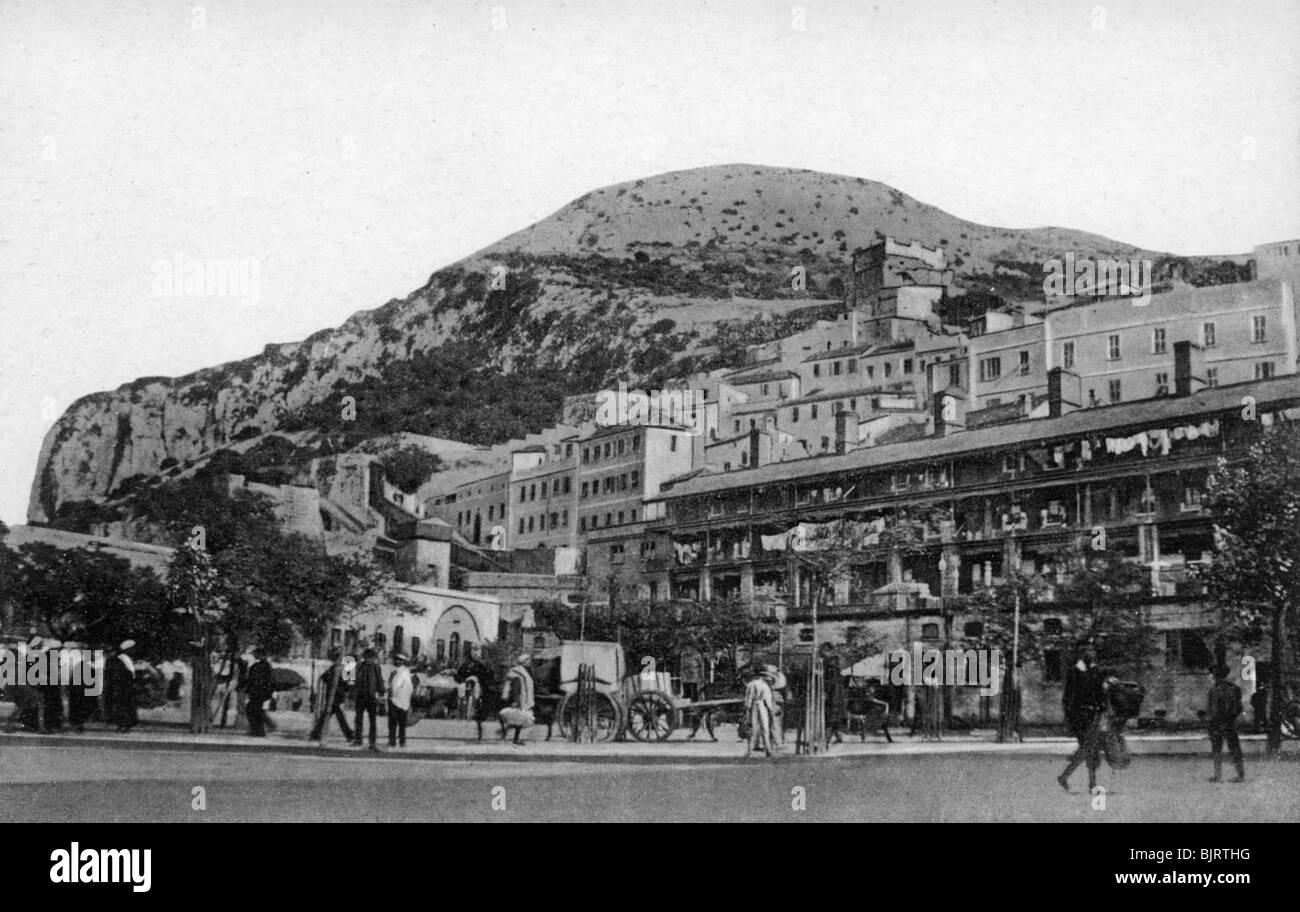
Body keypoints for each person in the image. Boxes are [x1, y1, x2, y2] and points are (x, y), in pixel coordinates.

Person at [1057, 642, 1107, 792]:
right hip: (1079, 717)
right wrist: (1069, 719)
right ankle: (1072, 778)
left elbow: (1100, 694)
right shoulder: (1074, 672)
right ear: (1082, 654)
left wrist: (1102, 706)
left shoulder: (1094, 671)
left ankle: (1077, 779)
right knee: (1088, 748)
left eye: (1093, 650)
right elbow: (1067, 698)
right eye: (1088, 650)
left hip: (1093, 716)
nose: (1092, 653)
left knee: (1089, 749)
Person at [1207, 664, 1245, 783]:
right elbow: (1239, 707)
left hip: (1217, 723)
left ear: (1216, 675)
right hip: (1230, 722)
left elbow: (1212, 709)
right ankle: (1240, 775)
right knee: (1235, 749)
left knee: (1217, 749)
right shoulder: (1235, 688)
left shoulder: (1214, 689)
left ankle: (1217, 776)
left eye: (1214, 673)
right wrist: (1231, 718)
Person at [310, 650, 355, 742]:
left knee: (328, 714)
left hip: (336, 695)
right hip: (333, 695)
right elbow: (324, 677)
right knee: (335, 715)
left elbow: (347, 684)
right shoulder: (334, 668)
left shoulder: (345, 669)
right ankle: (348, 734)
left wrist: (343, 688)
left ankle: (316, 733)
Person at [455, 651, 496, 740]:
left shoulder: (481, 665)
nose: (477, 654)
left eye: (477, 652)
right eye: (474, 652)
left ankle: (479, 724)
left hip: (479, 688)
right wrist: (465, 680)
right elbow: (458, 675)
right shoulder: (465, 665)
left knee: (480, 704)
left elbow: (486, 676)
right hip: (466, 687)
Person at [498, 654, 536, 746]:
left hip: (521, 698)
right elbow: (516, 687)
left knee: (519, 719)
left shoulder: (524, 671)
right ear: (523, 662)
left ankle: (514, 738)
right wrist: (516, 700)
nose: (529, 662)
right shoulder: (519, 672)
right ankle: (508, 735)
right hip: (518, 698)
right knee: (518, 717)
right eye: (527, 660)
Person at [353, 648, 385, 749]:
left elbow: (380, 681)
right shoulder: (359, 666)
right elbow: (353, 680)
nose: (368, 660)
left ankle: (372, 742)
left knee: (372, 720)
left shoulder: (376, 667)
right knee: (358, 719)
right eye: (367, 657)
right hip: (360, 696)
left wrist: (381, 694)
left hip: (371, 697)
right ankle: (358, 740)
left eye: (370, 658)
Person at [105, 640, 139, 733]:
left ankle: (126, 724)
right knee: (123, 706)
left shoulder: (126, 658)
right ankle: (123, 724)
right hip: (122, 687)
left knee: (126, 706)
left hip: (126, 686)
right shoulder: (121, 659)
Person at [744, 665, 776, 758]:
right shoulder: (764, 685)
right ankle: (768, 750)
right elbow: (768, 700)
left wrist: (748, 709)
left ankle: (749, 751)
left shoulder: (750, 684)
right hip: (762, 706)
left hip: (753, 706)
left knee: (752, 728)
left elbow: (748, 699)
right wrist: (770, 710)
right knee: (765, 729)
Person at [242, 647, 274, 737]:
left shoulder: (262, 666)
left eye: (255, 654)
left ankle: (258, 730)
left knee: (253, 710)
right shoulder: (261, 666)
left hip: (258, 692)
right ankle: (258, 730)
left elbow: (257, 680)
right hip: (258, 692)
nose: (254, 655)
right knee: (254, 710)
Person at [820, 643, 845, 746]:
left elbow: (831, 684)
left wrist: (825, 692)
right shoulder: (835, 667)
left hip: (833, 696)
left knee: (831, 716)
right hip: (836, 695)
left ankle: (826, 740)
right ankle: (838, 736)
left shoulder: (831, 667)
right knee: (834, 716)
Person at [387, 652, 413, 748]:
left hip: (400, 699)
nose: (397, 661)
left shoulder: (404, 672)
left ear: (403, 662)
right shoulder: (393, 670)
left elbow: (401, 686)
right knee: (394, 723)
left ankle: (400, 741)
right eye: (396, 659)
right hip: (396, 699)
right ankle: (394, 741)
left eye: (400, 660)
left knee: (399, 723)